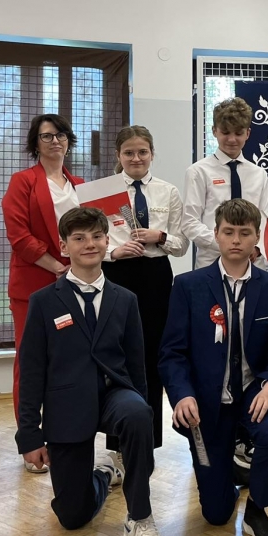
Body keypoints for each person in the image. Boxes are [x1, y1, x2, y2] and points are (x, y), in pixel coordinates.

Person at [15, 207, 165, 536]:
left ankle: (140, 519)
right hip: (67, 406)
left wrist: (142, 416)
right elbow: (31, 372)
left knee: (137, 413)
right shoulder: (43, 302)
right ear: (64, 246)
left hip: (115, 395)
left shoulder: (125, 299)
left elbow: (137, 364)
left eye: (97, 236)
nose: (89, 244)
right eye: (79, 238)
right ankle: (103, 474)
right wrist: (30, 436)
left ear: (107, 240)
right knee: (72, 516)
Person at [159, 199, 268, 536]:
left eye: (244, 233)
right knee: (215, 514)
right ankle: (225, 478)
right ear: (215, 235)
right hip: (206, 400)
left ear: (256, 238)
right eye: (228, 232)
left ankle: (257, 509)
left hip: (253, 391)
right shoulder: (188, 286)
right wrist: (182, 395)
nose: (236, 240)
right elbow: (172, 353)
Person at [1, 113, 83, 470]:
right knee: (30, 363)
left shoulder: (80, 185)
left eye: (61, 135)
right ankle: (31, 442)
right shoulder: (22, 182)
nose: (55, 141)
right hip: (34, 286)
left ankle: (66, 435)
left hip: (75, 286)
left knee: (70, 362)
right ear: (35, 143)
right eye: (47, 136)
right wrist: (57, 267)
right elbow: (19, 236)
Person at [102, 125, 188, 457]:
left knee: (152, 354)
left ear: (152, 154)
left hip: (155, 277)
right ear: (118, 155)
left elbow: (181, 246)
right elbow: (92, 242)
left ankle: (148, 441)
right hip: (117, 275)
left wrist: (159, 237)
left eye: (142, 152)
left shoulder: (168, 191)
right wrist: (114, 253)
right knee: (118, 355)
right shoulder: (103, 191)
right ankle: (116, 444)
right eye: (129, 153)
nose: (136, 158)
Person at [181, 96, 268, 270]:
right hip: (211, 263)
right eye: (225, 132)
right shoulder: (198, 172)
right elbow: (190, 222)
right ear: (214, 131)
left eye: (238, 133)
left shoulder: (259, 174)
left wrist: (255, 247)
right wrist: (225, 245)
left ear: (248, 133)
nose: (232, 139)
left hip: (253, 262)